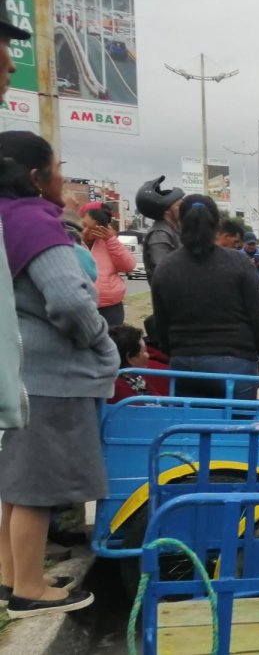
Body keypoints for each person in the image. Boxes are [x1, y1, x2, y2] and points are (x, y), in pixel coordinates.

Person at [0, 129, 118, 617]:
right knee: (37, 488)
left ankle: (12, 577)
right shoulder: (33, 220)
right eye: (58, 169)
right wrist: (100, 338)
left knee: (14, 485)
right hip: (50, 376)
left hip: (22, 371)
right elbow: (69, 299)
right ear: (35, 175)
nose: (63, 179)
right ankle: (31, 590)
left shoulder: (7, 217)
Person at [151, 195, 259, 400]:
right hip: (234, 363)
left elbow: (161, 320)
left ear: (180, 222)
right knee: (238, 429)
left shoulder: (166, 267)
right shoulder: (239, 263)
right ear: (217, 225)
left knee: (188, 427)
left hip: (184, 364)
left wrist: (174, 349)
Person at [81, 202, 135, 326]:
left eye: (93, 229)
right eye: (84, 225)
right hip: (81, 307)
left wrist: (111, 241)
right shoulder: (71, 240)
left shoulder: (108, 242)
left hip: (109, 307)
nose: (86, 231)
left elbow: (129, 266)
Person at [136, 176, 185, 284]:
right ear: (167, 211)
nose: (184, 208)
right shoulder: (160, 234)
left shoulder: (175, 229)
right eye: (179, 205)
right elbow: (165, 270)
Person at [108, 324, 169, 402]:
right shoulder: (118, 388)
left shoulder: (136, 377)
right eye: (144, 351)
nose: (148, 355)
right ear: (129, 357)